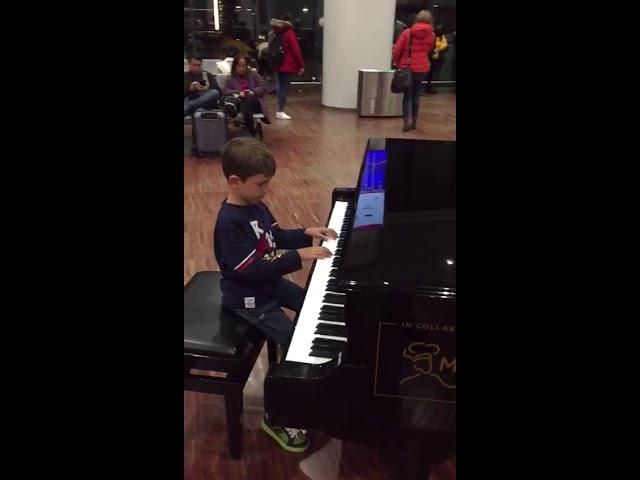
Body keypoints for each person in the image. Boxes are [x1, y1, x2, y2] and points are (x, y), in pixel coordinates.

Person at [213, 137, 338, 452]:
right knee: (296, 342)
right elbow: (252, 269)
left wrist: (306, 232)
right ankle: (277, 415)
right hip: (248, 299)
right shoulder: (230, 224)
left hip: (268, 286)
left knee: (312, 305)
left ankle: (320, 387)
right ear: (235, 182)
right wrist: (301, 256)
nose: (266, 190)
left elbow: (275, 237)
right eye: (261, 184)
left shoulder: (255, 205)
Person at [392, 10, 435, 132]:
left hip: (408, 67)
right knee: (417, 95)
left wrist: (398, 62)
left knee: (407, 96)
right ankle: (414, 121)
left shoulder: (408, 32)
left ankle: (406, 122)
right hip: (421, 68)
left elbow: (397, 51)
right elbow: (429, 49)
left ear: (417, 18)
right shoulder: (431, 35)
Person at [223, 55, 271, 137]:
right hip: (240, 103)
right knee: (247, 110)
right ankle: (251, 133)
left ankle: (241, 115)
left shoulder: (253, 75)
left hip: (254, 102)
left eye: (243, 66)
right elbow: (226, 90)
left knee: (249, 97)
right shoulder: (231, 78)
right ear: (235, 67)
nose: (241, 68)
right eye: (239, 66)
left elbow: (264, 87)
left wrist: (253, 91)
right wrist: (238, 92)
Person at [270, 13, 305, 120]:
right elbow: (296, 50)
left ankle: (279, 110)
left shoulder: (274, 32)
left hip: (278, 63)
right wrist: (301, 65)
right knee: (285, 87)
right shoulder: (289, 32)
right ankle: (280, 111)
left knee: (280, 87)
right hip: (287, 64)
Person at [425, 25, 448, 94]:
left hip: (437, 58)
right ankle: (428, 87)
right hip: (431, 57)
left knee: (433, 73)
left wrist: (438, 48)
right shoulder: (432, 36)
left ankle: (429, 86)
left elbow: (445, 45)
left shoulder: (441, 37)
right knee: (429, 73)